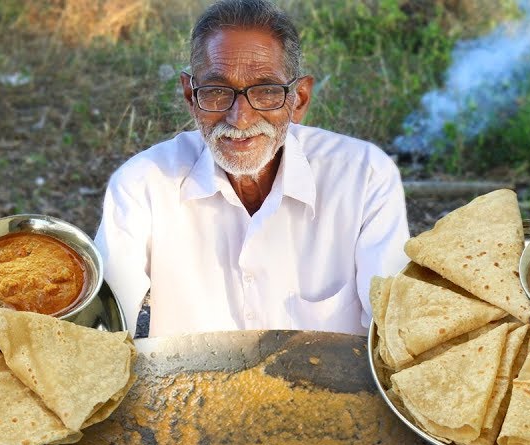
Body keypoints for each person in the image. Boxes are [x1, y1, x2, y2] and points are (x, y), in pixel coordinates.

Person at [94, 0, 409, 337]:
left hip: (336, 390)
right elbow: (101, 330)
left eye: (266, 91)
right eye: (216, 91)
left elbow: (395, 327)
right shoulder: (144, 184)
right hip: (188, 389)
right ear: (190, 96)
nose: (240, 118)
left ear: (298, 100)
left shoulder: (363, 176)